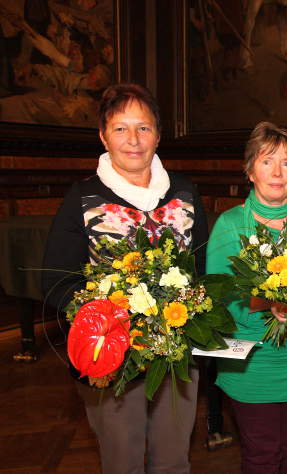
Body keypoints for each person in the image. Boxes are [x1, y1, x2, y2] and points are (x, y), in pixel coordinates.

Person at [42, 83, 208, 474]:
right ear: (103, 135)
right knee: (122, 462)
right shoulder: (82, 197)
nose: (133, 140)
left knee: (174, 461)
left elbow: (203, 269)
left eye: (144, 128)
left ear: (158, 135)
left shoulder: (184, 192)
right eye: (120, 128)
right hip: (111, 356)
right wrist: (104, 313)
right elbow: (55, 281)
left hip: (175, 351)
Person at [207, 122, 287, 474]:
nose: (277, 172)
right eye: (267, 161)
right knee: (260, 457)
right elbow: (219, 302)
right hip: (251, 365)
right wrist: (269, 303)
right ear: (250, 171)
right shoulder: (230, 225)